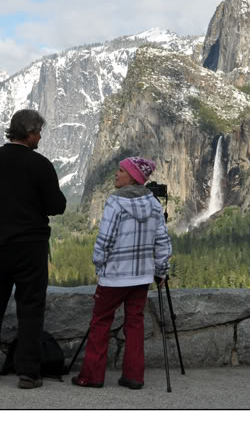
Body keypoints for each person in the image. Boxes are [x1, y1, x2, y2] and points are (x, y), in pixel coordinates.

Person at [0, 109, 66, 389]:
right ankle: (28, 372)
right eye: (38, 132)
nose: (40, 138)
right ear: (29, 132)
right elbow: (56, 206)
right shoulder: (40, 165)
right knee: (31, 308)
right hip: (30, 247)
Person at [71, 157, 172, 390]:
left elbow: (105, 240)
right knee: (135, 325)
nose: (116, 174)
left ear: (133, 177)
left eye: (121, 171)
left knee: (100, 323)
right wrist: (161, 270)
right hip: (142, 277)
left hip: (114, 275)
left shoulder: (115, 202)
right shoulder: (154, 204)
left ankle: (92, 376)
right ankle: (134, 376)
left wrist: (99, 265)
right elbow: (162, 242)